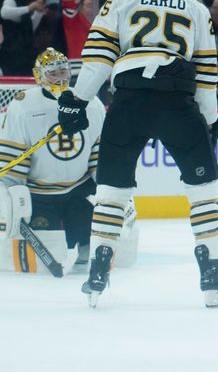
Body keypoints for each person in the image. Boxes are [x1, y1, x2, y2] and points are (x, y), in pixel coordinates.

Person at [55, 0, 218, 307]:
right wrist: (211, 120)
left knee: (111, 189)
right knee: (204, 189)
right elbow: (206, 73)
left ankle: (98, 268)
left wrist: (78, 99)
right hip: (177, 102)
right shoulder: (195, 8)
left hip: (128, 101)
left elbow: (99, 56)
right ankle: (212, 274)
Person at [0, 48, 137, 274]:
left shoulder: (90, 102)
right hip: (40, 194)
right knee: (41, 265)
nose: (61, 77)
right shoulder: (23, 105)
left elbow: (98, 152)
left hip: (79, 191)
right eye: (53, 73)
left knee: (93, 253)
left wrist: (109, 187)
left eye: (64, 71)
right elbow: (13, 156)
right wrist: (14, 196)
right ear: (39, 75)